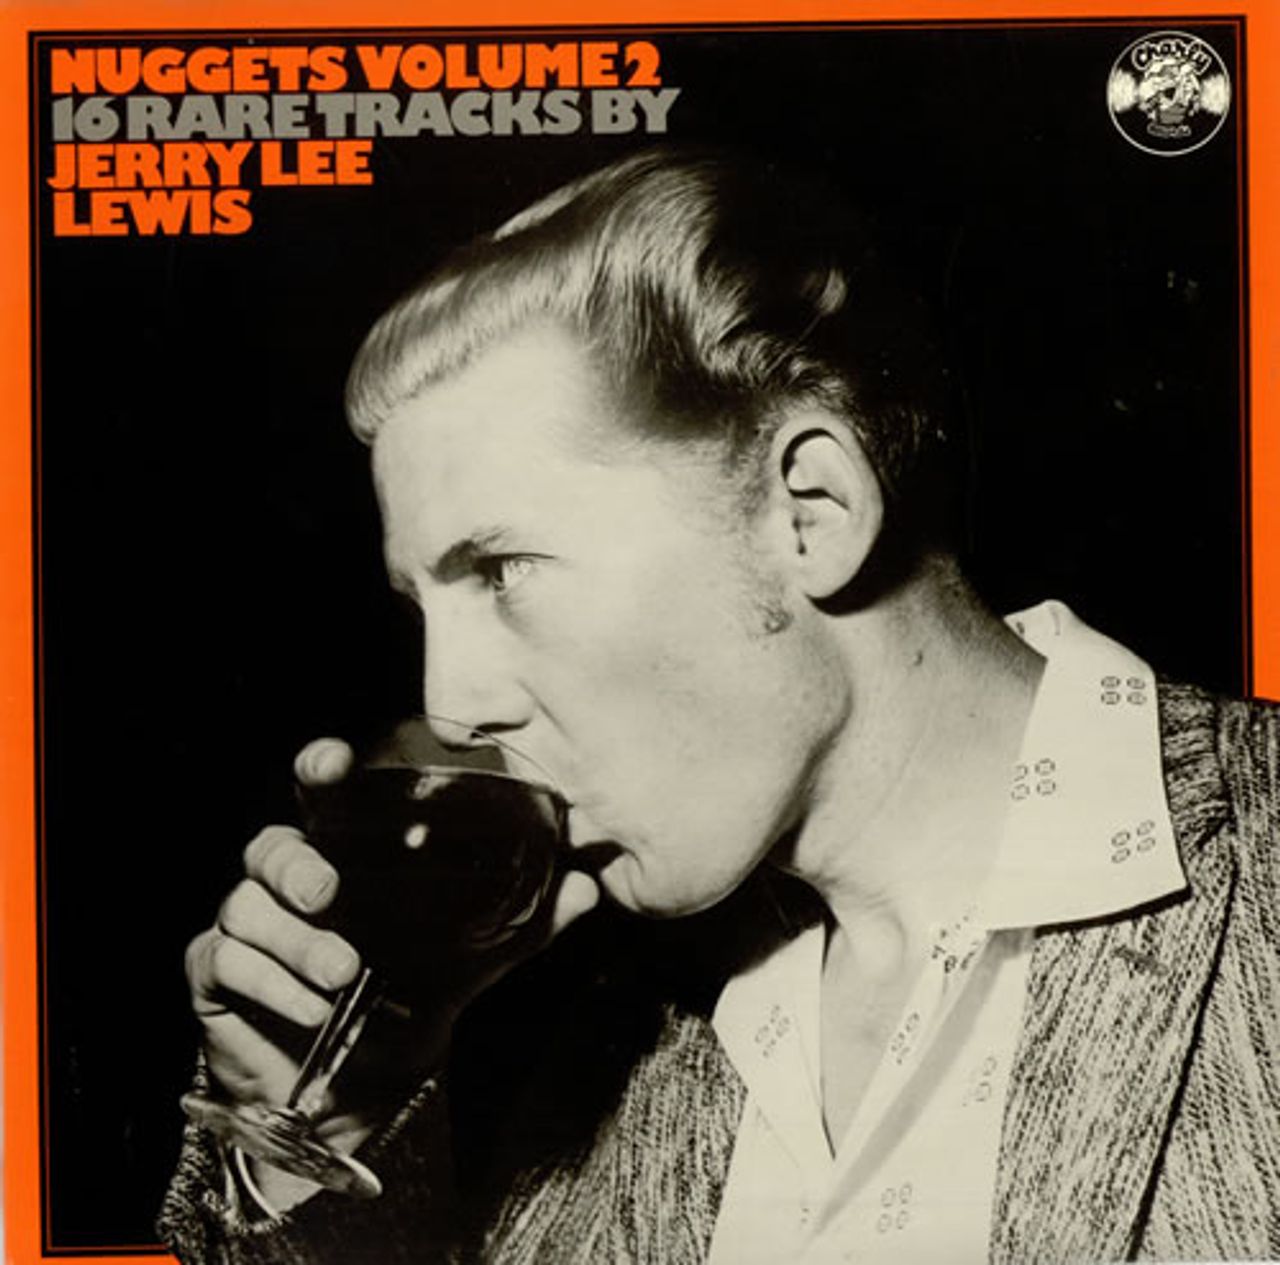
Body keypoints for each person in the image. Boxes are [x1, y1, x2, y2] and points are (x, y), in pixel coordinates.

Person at [159, 149, 1280, 1263]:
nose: (445, 704)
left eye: (503, 570)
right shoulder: (620, 1029)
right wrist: (336, 1124)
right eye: (423, 608)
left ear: (810, 512)